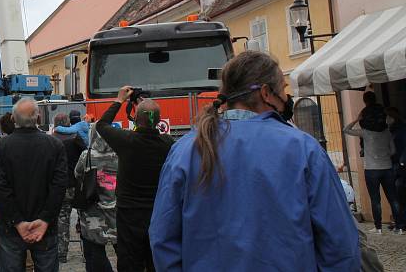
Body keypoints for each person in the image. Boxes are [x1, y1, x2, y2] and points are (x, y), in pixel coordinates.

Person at [150, 51, 360, 271]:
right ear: (266, 93)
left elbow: (162, 237)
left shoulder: (184, 150)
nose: (287, 98)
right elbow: (340, 243)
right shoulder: (303, 149)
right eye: (283, 89)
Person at [96, 89, 171, 272]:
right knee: (155, 260)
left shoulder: (127, 140)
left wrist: (120, 100)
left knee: (130, 261)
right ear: (159, 121)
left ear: (135, 119)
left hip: (129, 214)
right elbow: (150, 119)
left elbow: (102, 125)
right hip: (157, 212)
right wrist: (146, 109)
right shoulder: (167, 143)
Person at [0, 98, 67, 272]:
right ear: (38, 117)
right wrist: (45, 219)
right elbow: (59, 187)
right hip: (45, 229)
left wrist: (17, 222)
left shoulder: (0, 148)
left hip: (11, 229)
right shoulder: (55, 145)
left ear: (13, 119)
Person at [344, 93, 401, 234]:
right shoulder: (387, 132)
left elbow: (346, 130)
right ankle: (400, 227)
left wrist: (357, 119)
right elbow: (393, 151)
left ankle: (378, 227)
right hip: (387, 167)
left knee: (376, 200)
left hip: (371, 169)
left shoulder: (365, 133)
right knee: (393, 198)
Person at [0, 113, 34, 270]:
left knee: (4, 234)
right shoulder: (27, 143)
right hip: (24, 198)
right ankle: (27, 264)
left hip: (1, 200)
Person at [75, 126, 118, 272]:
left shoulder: (86, 155)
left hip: (93, 209)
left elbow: (78, 174)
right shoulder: (120, 153)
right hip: (117, 209)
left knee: (96, 251)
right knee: (124, 251)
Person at [52, 113, 86, 263]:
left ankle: (61, 254)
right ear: (68, 123)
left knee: (62, 221)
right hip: (78, 186)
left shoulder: (52, 141)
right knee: (84, 220)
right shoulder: (76, 138)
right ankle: (87, 254)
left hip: (61, 187)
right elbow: (86, 156)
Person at [388, 107, 406, 234]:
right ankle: (400, 221)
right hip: (395, 164)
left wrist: (402, 162)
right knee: (397, 194)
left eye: (387, 117)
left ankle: (402, 222)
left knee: (400, 193)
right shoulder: (391, 130)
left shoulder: (401, 129)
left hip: (400, 165)